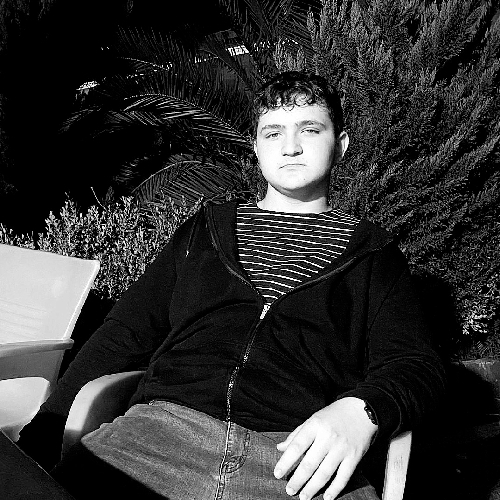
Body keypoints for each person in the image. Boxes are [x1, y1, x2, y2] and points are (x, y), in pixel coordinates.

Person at [17, 71, 446, 500]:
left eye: (310, 130)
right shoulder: (205, 231)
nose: (290, 146)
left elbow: (415, 364)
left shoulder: (373, 255)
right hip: (158, 438)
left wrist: (360, 413)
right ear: (256, 148)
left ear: (341, 144)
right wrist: (41, 437)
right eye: (273, 133)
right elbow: (123, 335)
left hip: (297, 461)